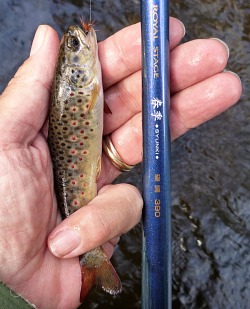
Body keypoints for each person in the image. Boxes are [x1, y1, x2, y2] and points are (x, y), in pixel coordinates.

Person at [0, 17, 242, 309]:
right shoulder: (80, 86)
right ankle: (92, 258)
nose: (81, 38)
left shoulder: (86, 83)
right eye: (75, 45)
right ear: (72, 73)